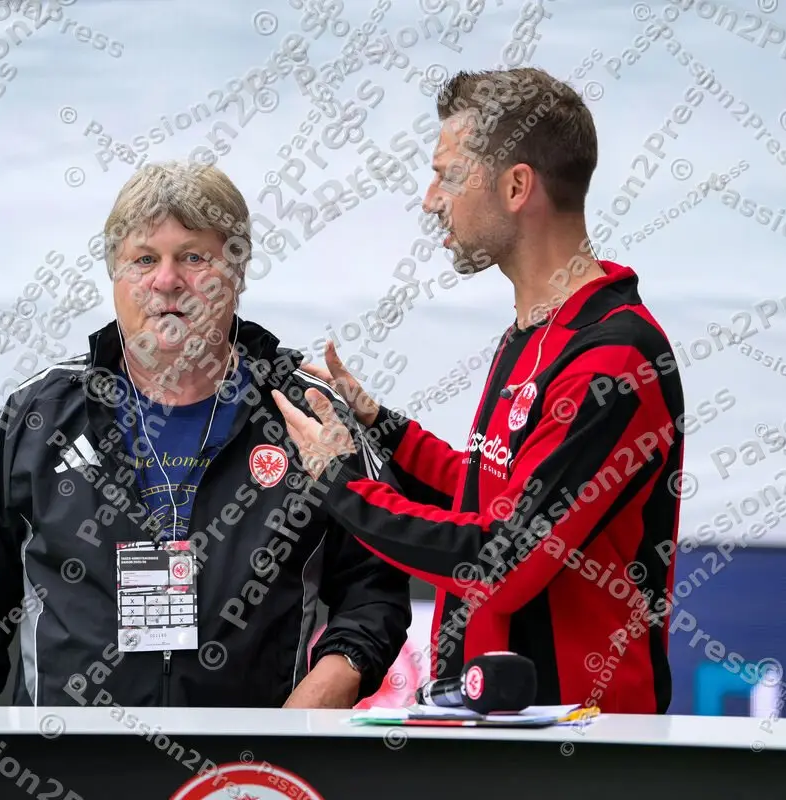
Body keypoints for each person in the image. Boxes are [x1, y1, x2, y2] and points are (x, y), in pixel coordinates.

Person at [0, 160, 411, 708]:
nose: (167, 280)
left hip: (247, 776)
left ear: (237, 272)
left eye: (194, 257)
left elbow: (376, 587)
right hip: (63, 770)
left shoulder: (308, 414)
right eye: (144, 259)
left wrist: (328, 686)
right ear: (116, 275)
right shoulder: (41, 414)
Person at [273, 67, 685, 714]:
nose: (431, 198)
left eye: (448, 174)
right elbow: (487, 490)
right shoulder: (535, 332)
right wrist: (380, 423)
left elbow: (504, 558)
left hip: (581, 746)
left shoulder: (613, 359)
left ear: (517, 185)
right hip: (501, 726)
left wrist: (340, 485)